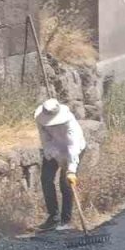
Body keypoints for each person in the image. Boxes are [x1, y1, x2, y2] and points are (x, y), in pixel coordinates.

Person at [34, 98, 87, 231]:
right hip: (53, 149)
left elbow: (73, 147)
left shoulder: (70, 124)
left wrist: (71, 170)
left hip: (73, 150)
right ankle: (53, 217)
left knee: (66, 184)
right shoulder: (41, 119)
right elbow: (45, 141)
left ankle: (66, 221)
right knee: (46, 179)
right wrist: (56, 156)